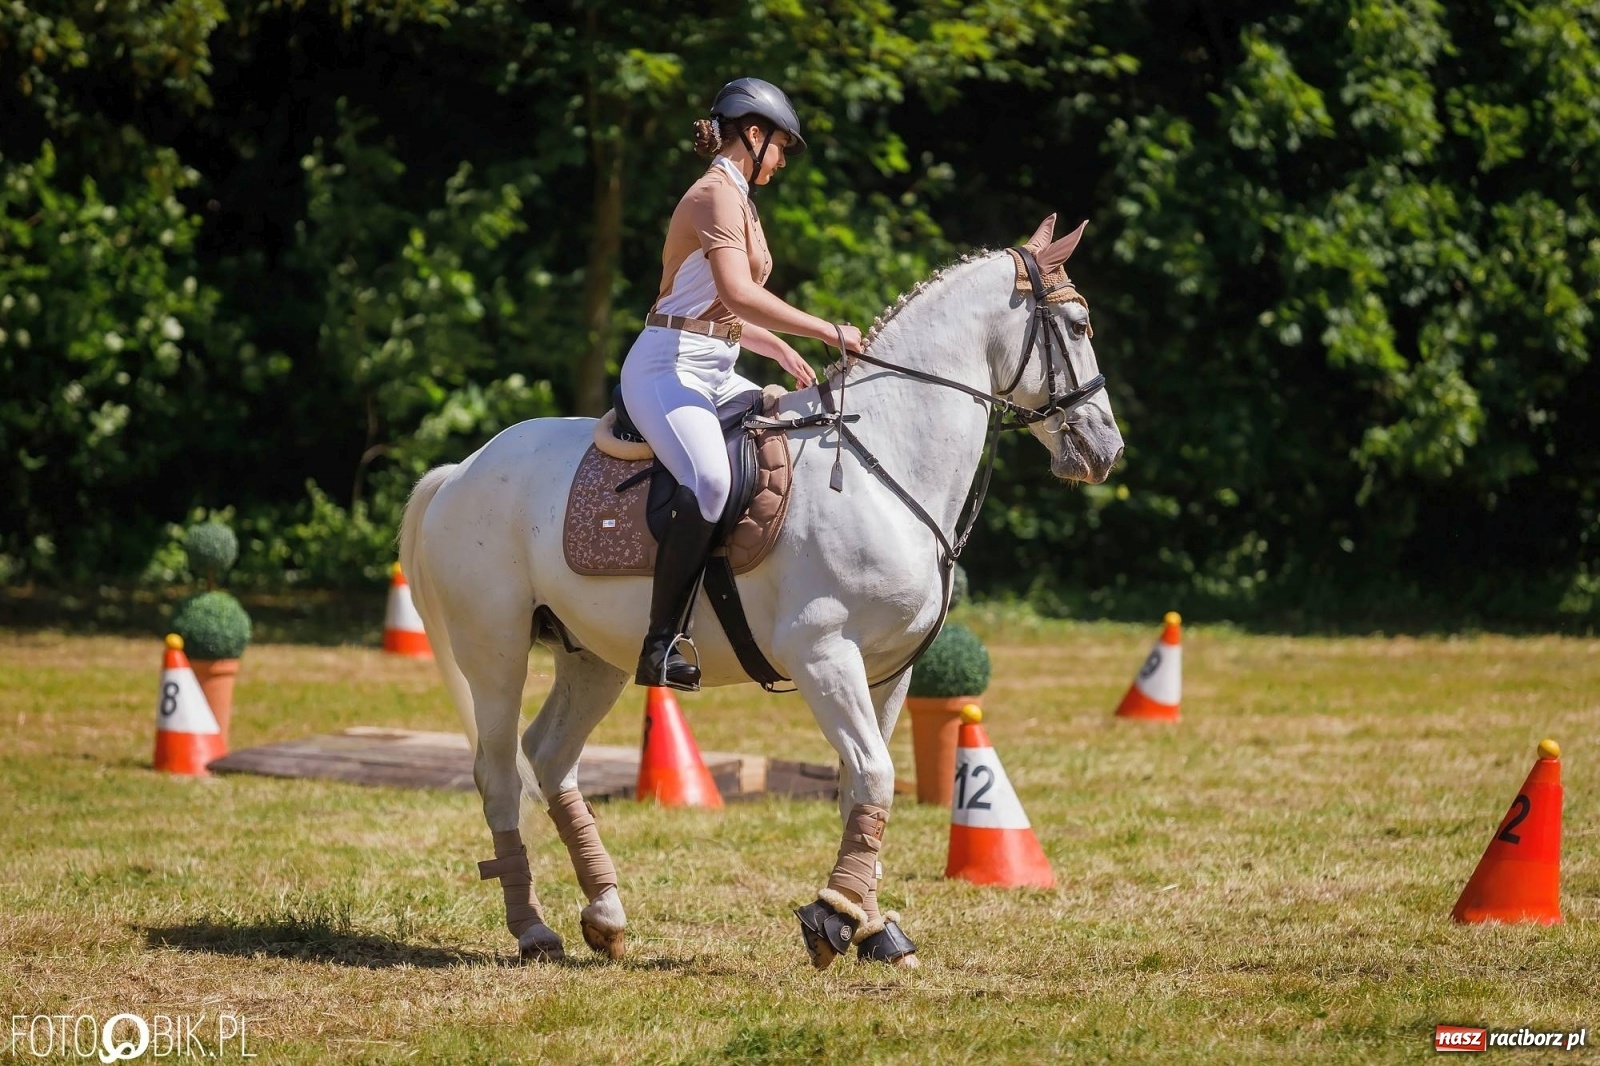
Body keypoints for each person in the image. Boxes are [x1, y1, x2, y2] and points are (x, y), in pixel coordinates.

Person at [620, 77, 863, 691]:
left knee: (794, 425)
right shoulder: (714, 195)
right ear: (754, 135)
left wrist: (776, 345)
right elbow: (737, 293)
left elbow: (724, 311)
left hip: (714, 363)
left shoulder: (741, 201)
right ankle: (659, 644)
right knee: (710, 480)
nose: (781, 160)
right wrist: (825, 329)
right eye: (781, 146)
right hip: (666, 366)